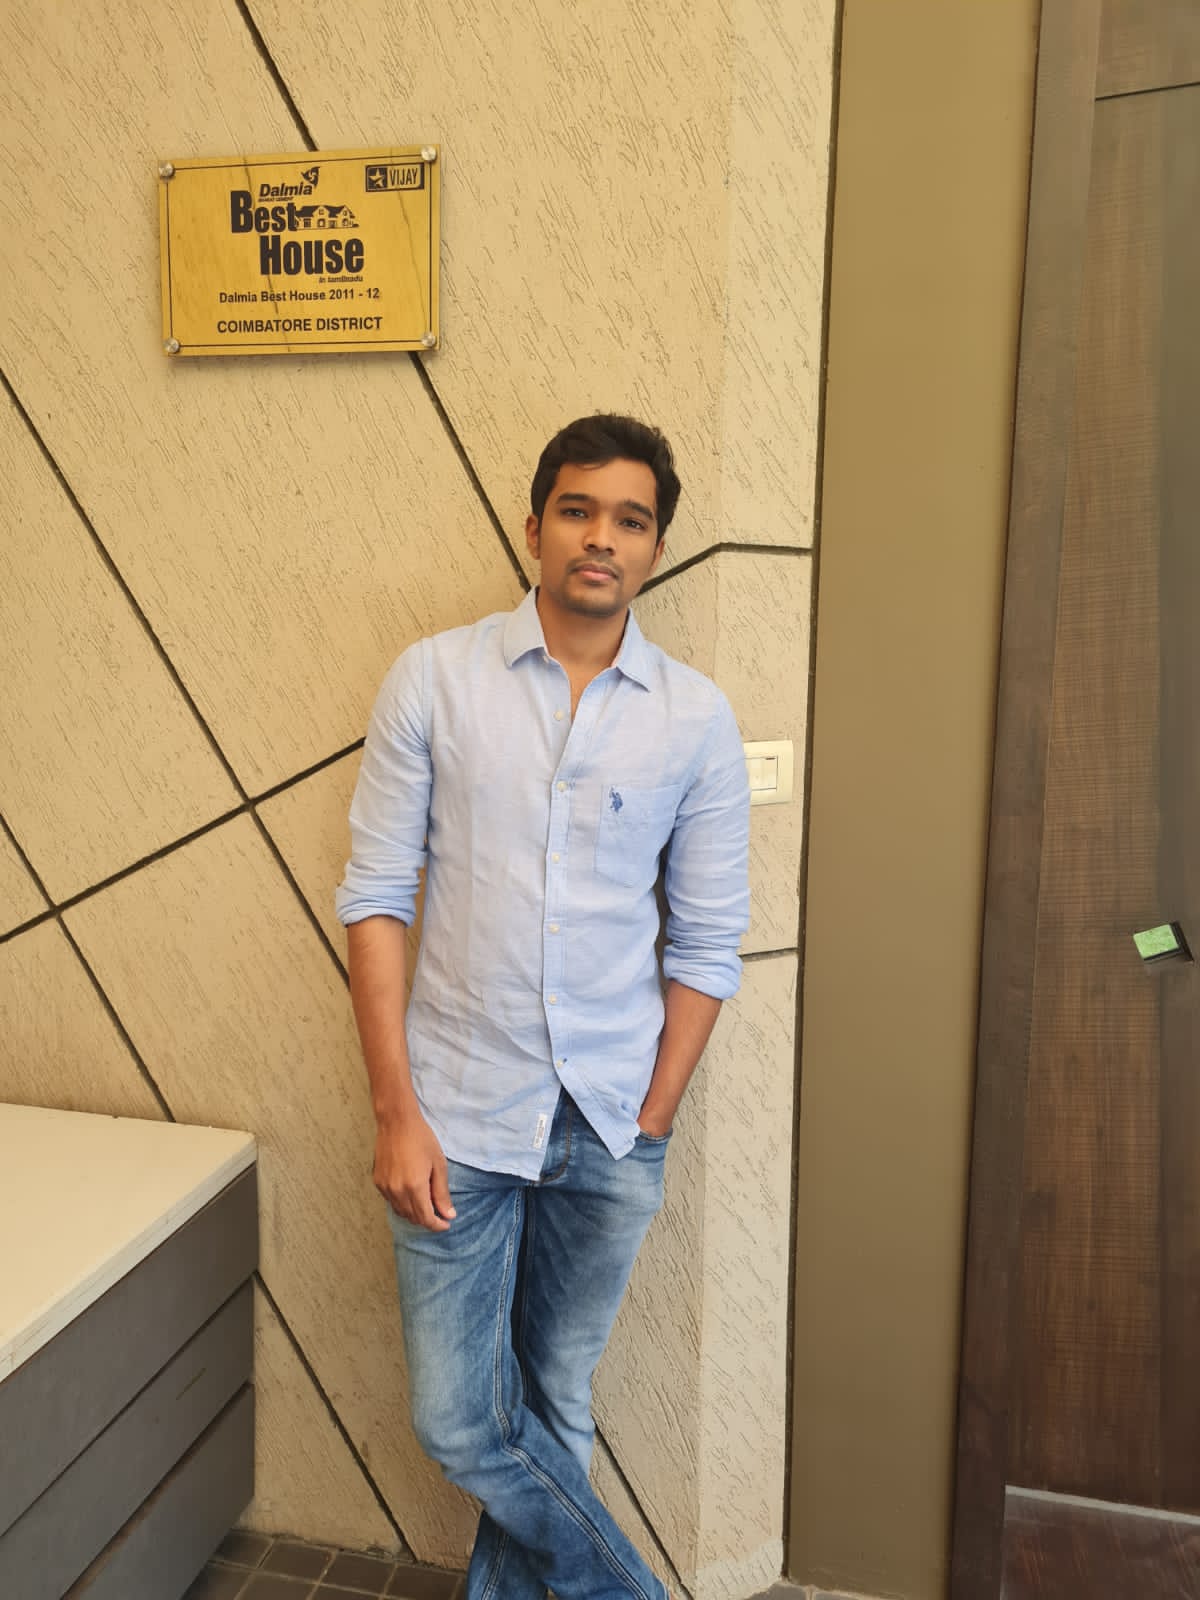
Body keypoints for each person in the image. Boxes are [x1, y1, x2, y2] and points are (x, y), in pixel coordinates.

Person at [336, 414, 751, 1600]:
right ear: (535, 527)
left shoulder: (694, 718)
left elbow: (708, 942)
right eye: (579, 510)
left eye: (631, 519)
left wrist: (653, 1116)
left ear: (655, 547)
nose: (601, 537)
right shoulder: (435, 679)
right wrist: (396, 1111)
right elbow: (376, 898)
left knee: (556, 1398)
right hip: (455, 1113)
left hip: (611, 1119)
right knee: (463, 1419)